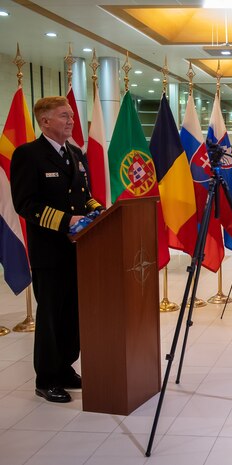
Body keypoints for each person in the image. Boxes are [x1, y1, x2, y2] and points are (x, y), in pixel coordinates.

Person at [10, 96, 103, 403]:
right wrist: (67, 221)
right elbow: (25, 204)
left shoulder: (75, 153)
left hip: (78, 250)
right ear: (45, 120)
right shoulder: (28, 155)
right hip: (49, 252)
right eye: (64, 116)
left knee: (72, 314)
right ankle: (46, 378)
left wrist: (99, 211)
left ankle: (65, 368)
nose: (71, 121)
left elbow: (84, 195)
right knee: (50, 316)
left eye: (72, 116)